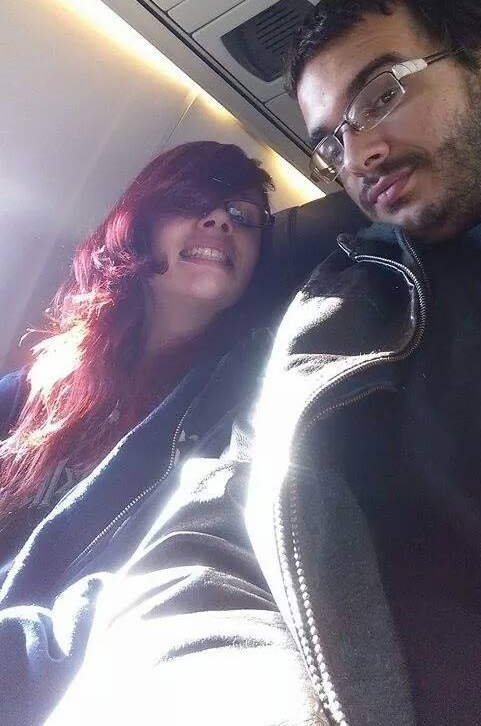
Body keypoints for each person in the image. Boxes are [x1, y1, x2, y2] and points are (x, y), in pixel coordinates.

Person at [7, 0, 481, 726]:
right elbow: (215, 517)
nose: (360, 157)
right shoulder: (344, 291)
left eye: (381, 96)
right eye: (333, 144)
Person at [0, 140, 276, 723]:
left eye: (243, 216)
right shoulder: (35, 386)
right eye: (194, 201)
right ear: (141, 225)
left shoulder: (238, 417)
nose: (221, 220)